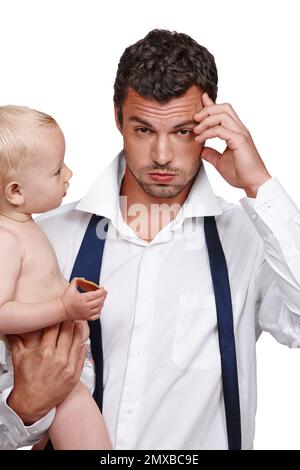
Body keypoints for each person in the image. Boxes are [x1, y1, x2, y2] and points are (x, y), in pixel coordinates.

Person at [1, 28, 300, 450]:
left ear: (209, 127)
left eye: (181, 131)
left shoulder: (248, 241)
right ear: (118, 119)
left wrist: (258, 184)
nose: (161, 155)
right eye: (143, 130)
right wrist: (23, 408)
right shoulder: (41, 236)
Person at [0, 106, 111, 450]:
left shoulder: (25, 226)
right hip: (37, 371)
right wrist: (63, 307)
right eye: (56, 170)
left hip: (56, 366)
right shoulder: (6, 239)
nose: (69, 173)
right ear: (16, 191)